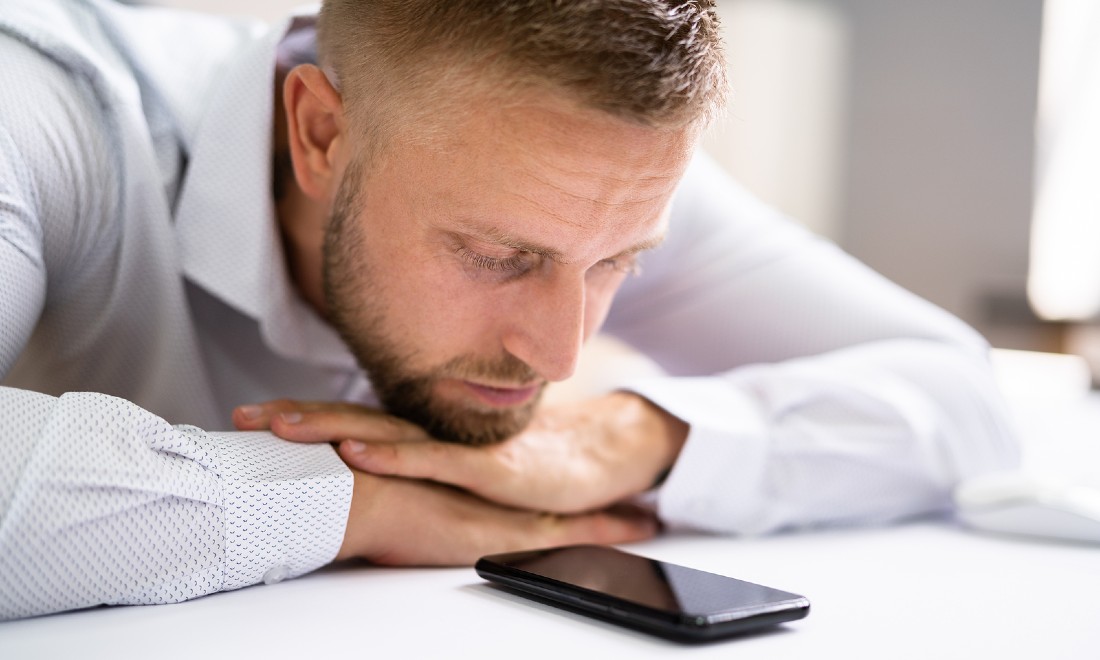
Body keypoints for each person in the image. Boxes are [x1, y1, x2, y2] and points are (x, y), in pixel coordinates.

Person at [0, 0, 1017, 621]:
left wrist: (622, 436)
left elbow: (962, 396)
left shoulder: (584, 171)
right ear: (318, 134)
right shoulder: (40, 107)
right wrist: (363, 503)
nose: (561, 350)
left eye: (619, 263)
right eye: (496, 256)